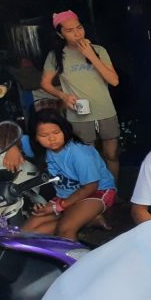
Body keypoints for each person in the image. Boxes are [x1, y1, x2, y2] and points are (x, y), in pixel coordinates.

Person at [3, 110, 116, 240]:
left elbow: (91, 187)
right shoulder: (37, 147)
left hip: (96, 192)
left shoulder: (79, 153)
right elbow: (6, 131)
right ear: (35, 137)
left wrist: (58, 206)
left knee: (65, 231)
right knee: (26, 233)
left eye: (56, 132)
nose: (51, 138)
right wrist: (12, 147)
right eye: (44, 135)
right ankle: (87, 220)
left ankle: (74, 251)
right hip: (65, 195)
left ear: (65, 130)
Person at [41, 10, 120, 179]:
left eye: (79, 28)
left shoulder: (99, 50)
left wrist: (91, 55)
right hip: (79, 113)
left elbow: (114, 81)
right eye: (69, 31)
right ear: (60, 34)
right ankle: (96, 193)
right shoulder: (56, 56)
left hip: (106, 110)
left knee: (112, 154)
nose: (77, 33)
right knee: (87, 157)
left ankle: (114, 192)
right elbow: (45, 83)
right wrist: (63, 96)